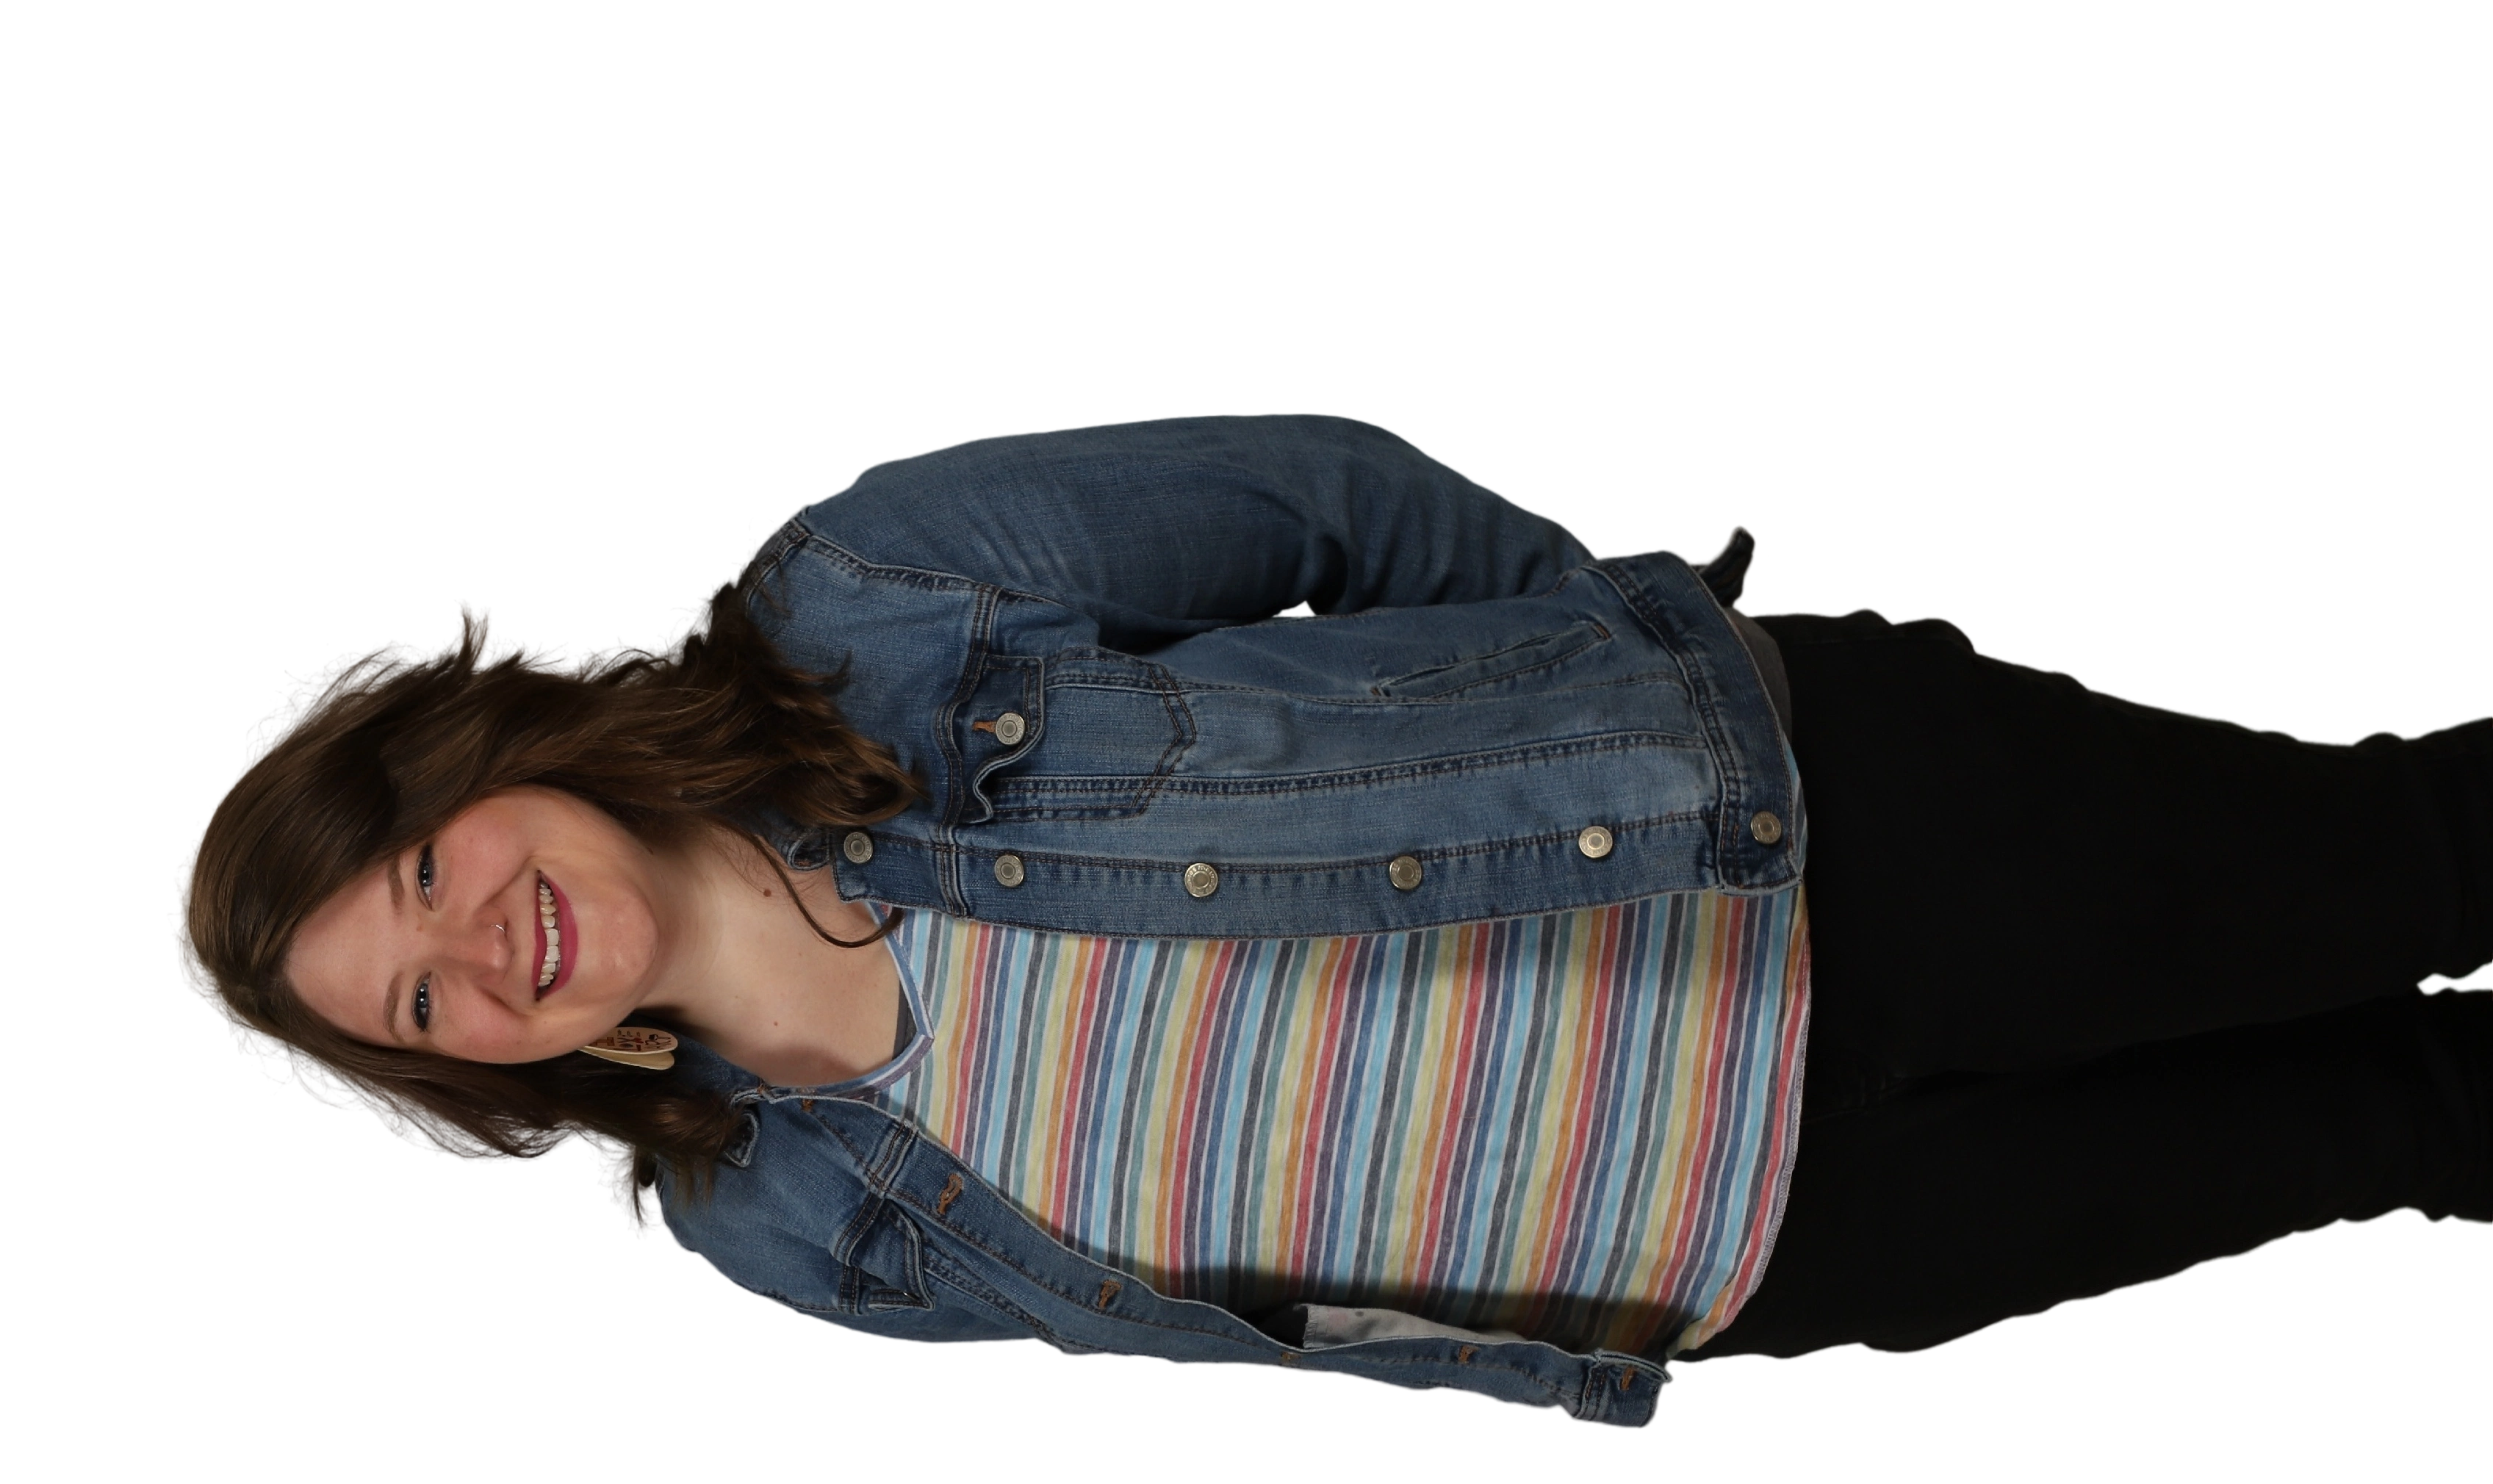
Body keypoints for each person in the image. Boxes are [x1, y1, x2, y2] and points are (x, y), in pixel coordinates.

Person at [168, 412, 2493, 1433]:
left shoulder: (875, 600)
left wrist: (1616, 704)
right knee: (2413, 1124)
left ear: (470, 752)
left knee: (2427, 860)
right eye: (418, 1004)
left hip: (1848, 856)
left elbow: (1329, 506)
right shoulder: (762, 1219)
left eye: (424, 872)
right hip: (1775, 1237)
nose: (483, 953)